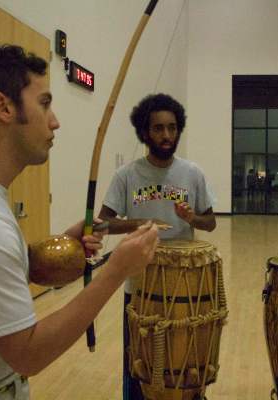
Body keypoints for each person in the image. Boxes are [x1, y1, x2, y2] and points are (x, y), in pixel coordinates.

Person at [0, 42, 159, 400]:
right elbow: (28, 353)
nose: (54, 121)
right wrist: (116, 270)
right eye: (44, 103)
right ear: (3, 107)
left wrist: (51, 255)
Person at [97, 93, 216, 400]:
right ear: (145, 132)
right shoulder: (127, 175)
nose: (166, 135)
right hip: (139, 287)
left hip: (184, 287)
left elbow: (210, 223)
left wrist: (192, 217)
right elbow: (101, 223)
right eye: (159, 128)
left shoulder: (192, 173)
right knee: (139, 368)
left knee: (184, 366)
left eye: (172, 128)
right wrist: (139, 223)